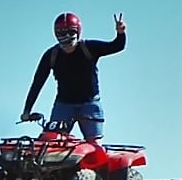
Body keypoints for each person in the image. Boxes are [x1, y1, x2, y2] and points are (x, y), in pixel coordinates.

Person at [19, 12, 128, 140]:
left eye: (71, 32)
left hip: (90, 104)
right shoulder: (51, 55)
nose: (66, 37)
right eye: (61, 33)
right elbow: (37, 83)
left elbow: (116, 46)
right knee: (50, 142)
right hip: (63, 105)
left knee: (95, 149)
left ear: (78, 32)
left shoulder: (89, 47)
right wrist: (27, 110)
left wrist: (121, 32)